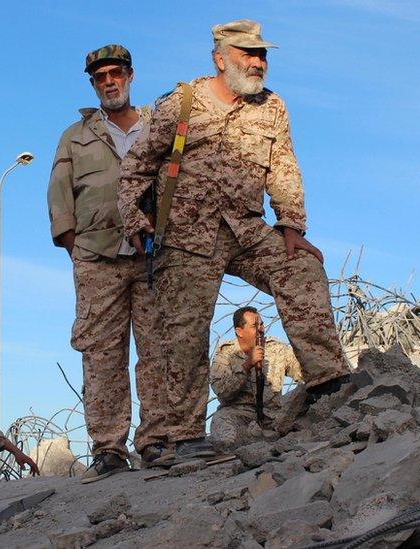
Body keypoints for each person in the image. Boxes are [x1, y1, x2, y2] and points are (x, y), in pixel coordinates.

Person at [117, 19, 352, 462]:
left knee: (302, 269)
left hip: (245, 228)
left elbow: (283, 167)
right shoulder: (182, 104)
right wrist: (135, 220)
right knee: (185, 332)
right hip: (188, 234)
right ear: (220, 59)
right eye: (247, 53)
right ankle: (185, 437)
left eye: (262, 54)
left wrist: (291, 226)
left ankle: (327, 382)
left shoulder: (274, 107)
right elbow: (136, 167)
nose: (258, 61)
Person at [46, 44, 169, 482]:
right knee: (102, 355)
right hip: (97, 259)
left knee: (156, 349)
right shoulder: (74, 136)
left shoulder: (159, 128)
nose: (109, 82)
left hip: (154, 255)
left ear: (131, 76)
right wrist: (76, 246)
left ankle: (157, 441)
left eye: (116, 74)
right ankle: (109, 448)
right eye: (100, 77)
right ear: (93, 84)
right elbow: (60, 195)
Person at [209, 306, 302, 451]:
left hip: (274, 415)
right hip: (240, 414)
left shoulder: (277, 348)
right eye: (254, 326)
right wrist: (247, 365)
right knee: (221, 427)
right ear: (239, 331)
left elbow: (303, 371)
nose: (260, 329)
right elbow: (222, 391)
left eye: (262, 324)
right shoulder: (225, 354)